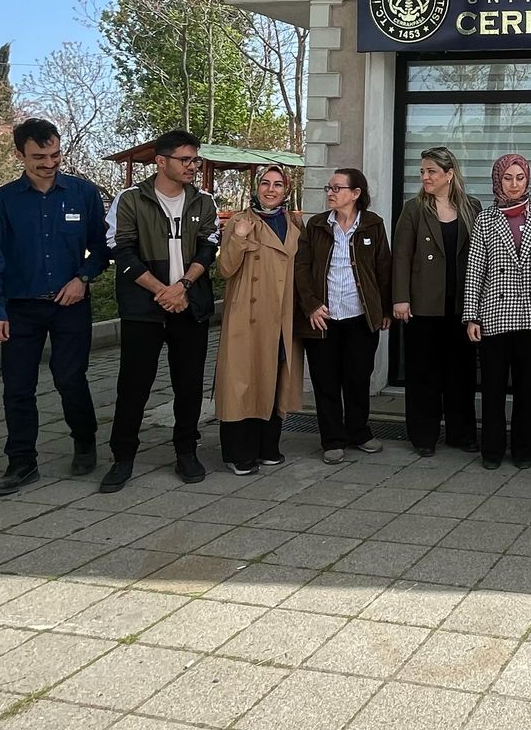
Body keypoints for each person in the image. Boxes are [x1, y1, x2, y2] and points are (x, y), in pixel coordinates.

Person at [0, 118, 110, 498]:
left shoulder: (83, 194)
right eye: (38, 157)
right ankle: (21, 461)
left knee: (70, 379)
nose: (49, 163)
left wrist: (82, 279)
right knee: (18, 387)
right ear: (20, 155)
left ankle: (85, 441)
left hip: (70, 305)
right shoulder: (1, 202)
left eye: (54, 154)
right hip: (20, 308)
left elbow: (102, 249)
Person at [105, 130, 220, 490]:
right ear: (161, 161)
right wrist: (162, 292)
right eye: (185, 160)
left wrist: (183, 287)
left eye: (195, 160)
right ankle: (123, 458)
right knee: (134, 385)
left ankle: (186, 451)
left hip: (190, 306)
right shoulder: (130, 200)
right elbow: (121, 251)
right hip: (144, 309)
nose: (192, 166)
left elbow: (208, 248)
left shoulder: (204, 201)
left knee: (188, 385)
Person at [462, 153, 531, 469]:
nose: (514, 184)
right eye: (507, 178)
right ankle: (491, 450)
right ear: (497, 180)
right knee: (492, 387)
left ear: (528, 179)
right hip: (493, 313)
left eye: (520, 177)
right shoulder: (485, 219)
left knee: (527, 388)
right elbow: (475, 269)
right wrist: (471, 315)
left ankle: (524, 450)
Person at [295, 167, 392, 465]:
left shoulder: (373, 225)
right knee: (325, 380)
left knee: (358, 377)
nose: (330, 193)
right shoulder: (316, 225)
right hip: (323, 316)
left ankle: (359, 433)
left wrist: (385, 309)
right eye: (329, 188)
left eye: (337, 188)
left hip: (360, 316)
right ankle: (332, 439)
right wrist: (311, 304)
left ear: (356, 193)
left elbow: (384, 269)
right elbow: (302, 267)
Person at [214, 165, 302, 476]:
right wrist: (237, 239)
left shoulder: (294, 223)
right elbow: (224, 269)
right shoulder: (241, 221)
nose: (271, 189)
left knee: (275, 378)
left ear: (286, 189)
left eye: (278, 184)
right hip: (247, 316)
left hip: (282, 315)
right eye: (265, 183)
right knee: (242, 382)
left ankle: (268, 447)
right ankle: (239, 453)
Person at [391, 147, 480, 457]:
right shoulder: (414, 209)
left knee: (461, 373)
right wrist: (400, 297)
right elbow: (401, 255)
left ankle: (461, 433)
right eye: (423, 172)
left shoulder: (472, 207)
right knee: (423, 373)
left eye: (431, 172)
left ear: (449, 174)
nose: (425, 177)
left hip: (461, 306)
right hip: (423, 305)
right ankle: (423, 436)